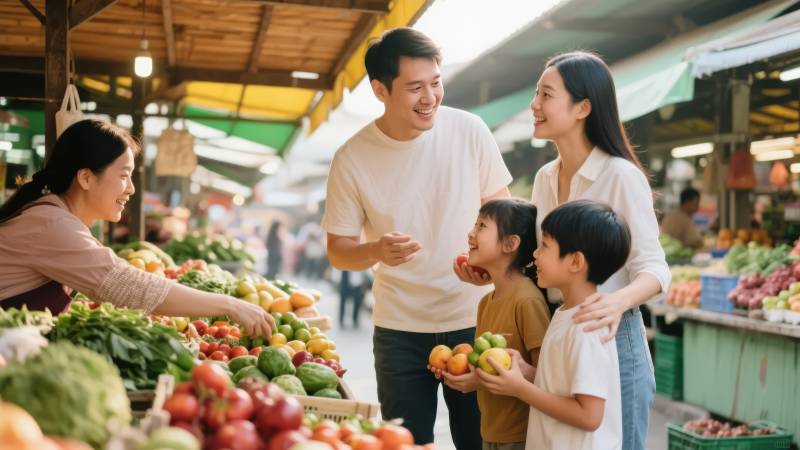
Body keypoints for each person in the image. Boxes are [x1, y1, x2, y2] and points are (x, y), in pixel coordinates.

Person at [454, 50, 670, 450]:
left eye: (546, 94)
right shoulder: (545, 178)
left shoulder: (620, 175)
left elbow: (656, 269)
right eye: (537, 94)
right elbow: (542, 261)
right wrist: (493, 271)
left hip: (611, 334)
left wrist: (615, 303)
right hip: (560, 329)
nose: (534, 105)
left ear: (583, 107)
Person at [322, 27, 512, 448]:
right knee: (407, 442)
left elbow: (506, 217)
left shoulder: (470, 130)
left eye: (436, 82)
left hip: (478, 319)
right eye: (415, 87)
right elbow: (338, 251)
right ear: (380, 90)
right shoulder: (351, 158)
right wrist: (375, 251)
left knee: (482, 441)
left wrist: (494, 265)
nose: (430, 97)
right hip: (399, 329)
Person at [0, 120, 274, 337]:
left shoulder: (55, 218)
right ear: (85, 177)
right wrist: (229, 304)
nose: (130, 189)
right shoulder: (52, 225)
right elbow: (126, 285)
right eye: (123, 176)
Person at [477, 200, 630, 450]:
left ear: (575, 262)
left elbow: (589, 416)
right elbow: (564, 388)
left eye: (545, 246)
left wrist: (520, 389)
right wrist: (526, 371)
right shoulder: (566, 313)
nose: (535, 254)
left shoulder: (587, 327)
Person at [434, 198, 550, 450]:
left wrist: (480, 381)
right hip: (491, 432)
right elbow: (486, 363)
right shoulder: (486, 302)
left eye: (482, 226)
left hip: (522, 436)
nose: (471, 233)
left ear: (510, 244)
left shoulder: (527, 300)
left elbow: (544, 378)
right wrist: (461, 371)